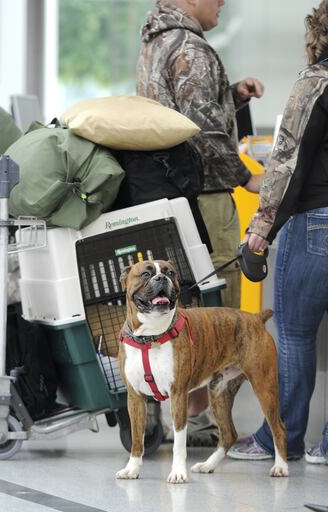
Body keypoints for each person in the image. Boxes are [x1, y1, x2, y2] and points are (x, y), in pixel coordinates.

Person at [136, 0, 264, 445]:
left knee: (184, 309)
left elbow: (184, 113)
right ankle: (207, 426)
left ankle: (185, 421)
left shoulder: (155, 41)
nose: (223, 2)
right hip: (206, 193)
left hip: (170, 192)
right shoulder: (193, 48)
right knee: (220, 315)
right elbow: (205, 130)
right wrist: (247, 176)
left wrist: (233, 96)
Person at [228, 0, 328, 462]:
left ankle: (278, 440)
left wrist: (259, 232)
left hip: (316, 222)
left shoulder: (316, 81)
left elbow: (286, 165)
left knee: (293, 334)